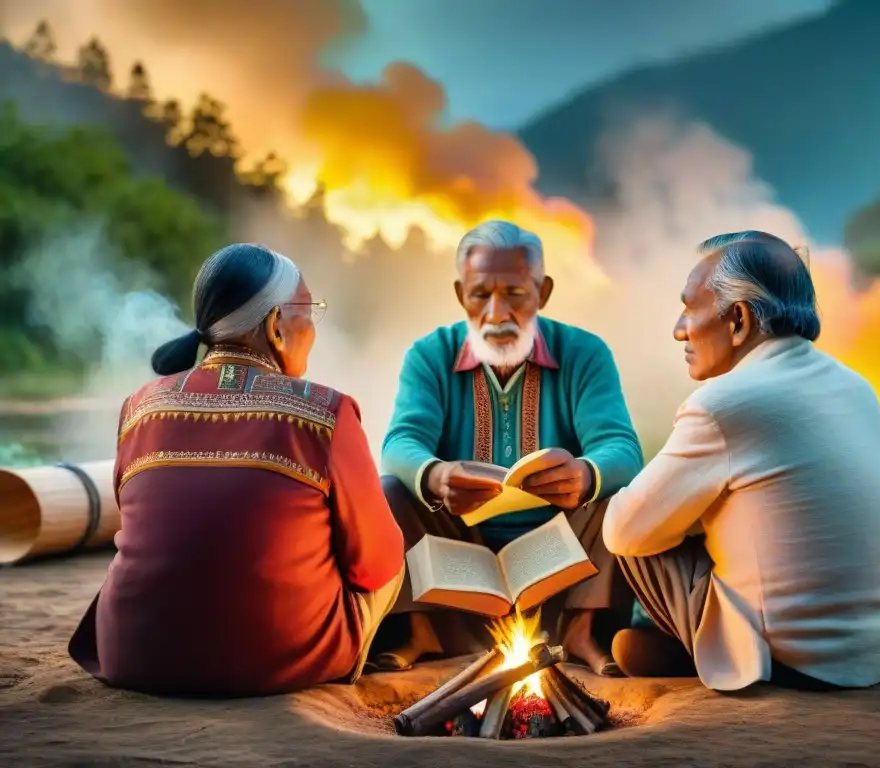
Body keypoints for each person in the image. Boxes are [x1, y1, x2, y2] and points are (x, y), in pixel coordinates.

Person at [68, 243, 405, 697]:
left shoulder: (139, 407)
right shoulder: (327, 412)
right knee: (392, 559)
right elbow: (376, 564)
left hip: (133, 655)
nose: (312, 328)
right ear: (274, 325)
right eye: (307, 312)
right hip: (268, 661)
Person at [603, 230, 880, 691]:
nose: (679, 328)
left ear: (738, 319)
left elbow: (623, 531)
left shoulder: (723, 402)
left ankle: (670, 641)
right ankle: (655, 638)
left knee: (624, 518)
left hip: (800, 660)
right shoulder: (856, 386)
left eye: (690, 308)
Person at [376, 220, 643, 676]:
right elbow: (402, 442)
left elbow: (621, 448)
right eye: (481, 295)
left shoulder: (585, 352)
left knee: (617, 492)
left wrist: (584, 474)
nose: (497, 313)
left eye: (515, 294)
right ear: (461, 295)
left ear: (544, 291)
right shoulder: (429, 355)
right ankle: (422, 631)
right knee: (392, 490)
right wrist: (436, 477)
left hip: (562, 563)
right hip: (459, 563)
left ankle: (583, 631)